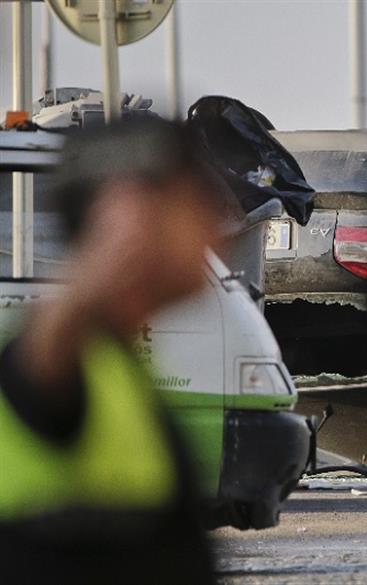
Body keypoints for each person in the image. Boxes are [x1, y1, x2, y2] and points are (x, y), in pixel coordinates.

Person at [0, 119, 223, 583]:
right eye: (199, 200)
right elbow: (36, 366)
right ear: (131, 215)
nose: (217, 223)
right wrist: (96, 273)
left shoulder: (114, 367)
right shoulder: (67, 357)